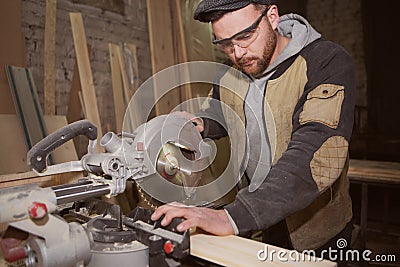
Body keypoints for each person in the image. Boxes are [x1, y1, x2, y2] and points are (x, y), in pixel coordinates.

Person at [151, 0, 355, 264]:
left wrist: (231, 217)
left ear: (272, 16)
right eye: (225, 43)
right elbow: (222, 112)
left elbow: (316, 153)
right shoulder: (230, 75)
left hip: (314, 231)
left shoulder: (326, 62)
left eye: (245, 36)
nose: (237, 53)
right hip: (257, 224)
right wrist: (201, 124)